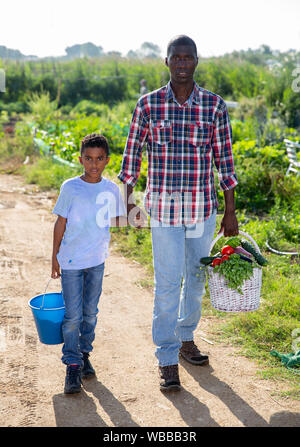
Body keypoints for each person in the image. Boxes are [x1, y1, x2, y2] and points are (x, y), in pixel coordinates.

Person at [118, 35, 239, 392]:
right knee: (168, 283)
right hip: (164, 212)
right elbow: (131, 159)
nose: (183, 64)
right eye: (177, 58)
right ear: (166, 62)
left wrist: (230, 212)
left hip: (202, 210)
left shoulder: (214, 106)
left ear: (197, 62)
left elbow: (226, 163)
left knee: (196, 279)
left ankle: (186, 337)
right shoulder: (149, 105)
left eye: (189, 58)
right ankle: (167, 358)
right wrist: (127, 203)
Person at [51, 133, 126, 394]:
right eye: (88, 158)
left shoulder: (111, 189)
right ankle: (72, 364)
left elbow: (115, 219)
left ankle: (84, 354)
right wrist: (54, 256)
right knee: (72, 316)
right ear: (81, 158)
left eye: (99, 159)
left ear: (106, 160)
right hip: (71, 261)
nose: (93, 164)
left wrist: (137, 216)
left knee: (90, 313)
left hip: (96, 261)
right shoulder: (70, 187)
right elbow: (60, 222)